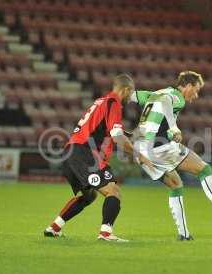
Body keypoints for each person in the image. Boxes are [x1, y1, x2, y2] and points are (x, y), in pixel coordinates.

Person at [130, 71, 212, 241]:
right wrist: (173, 127)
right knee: (204, 169)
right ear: (187, 85)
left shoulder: (155, 93)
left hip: (140, 150)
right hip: (159, 147)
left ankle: (184, 234)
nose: (196, 95)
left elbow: (131, 96)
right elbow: (165, 102)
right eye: (195, 89)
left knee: (176, 185)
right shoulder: (176, 96)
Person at [44, 74, 152, 242]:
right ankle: (106, 233)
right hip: (85, 153)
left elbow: (109, 130)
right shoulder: (114, 102)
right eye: (131, 93)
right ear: (126, 90)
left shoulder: (102, 101)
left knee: (89, 196)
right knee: (113, 191)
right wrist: (139, 156)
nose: (130, 98)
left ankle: (54, 228)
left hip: (71, 152)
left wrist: (131, 135)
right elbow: (116, 137)